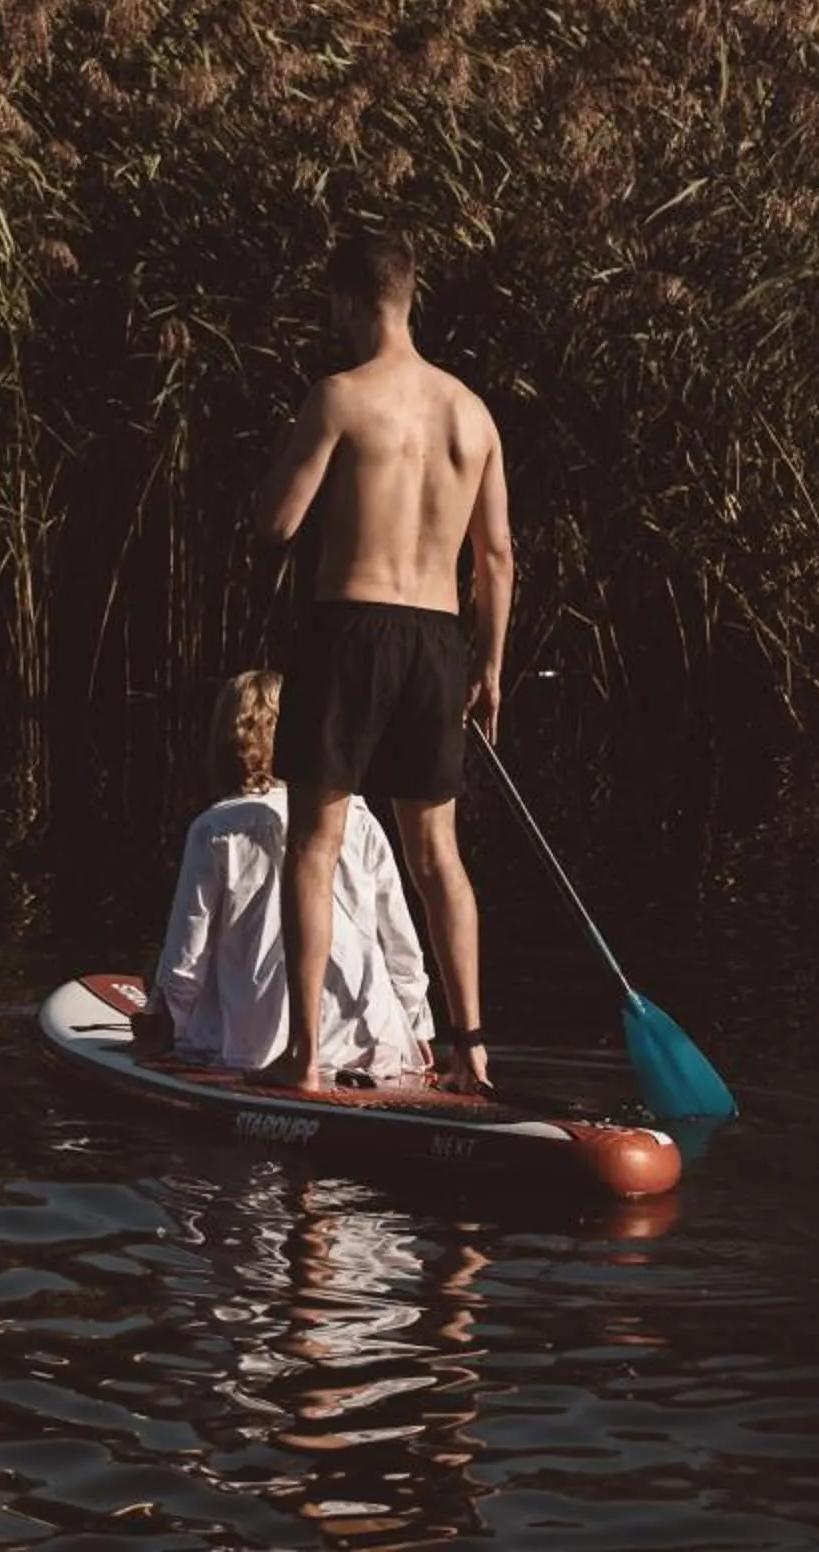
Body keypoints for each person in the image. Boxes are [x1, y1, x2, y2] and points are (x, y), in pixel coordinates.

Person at [250, 229, 512, 1097]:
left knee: (314, 844)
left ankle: (306, 1057)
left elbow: (279, 525)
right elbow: (498, 556)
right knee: (438, 852)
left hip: (351, 627)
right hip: (439, 640)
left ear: (352, 303)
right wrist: (492, 665)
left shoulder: (338, 398)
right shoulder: (472, 413)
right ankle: (470, 1048)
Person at [132, 666, 432, 1080]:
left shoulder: (216, 828)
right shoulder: (357, 816)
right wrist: (415, 1027)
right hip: (369, 1037)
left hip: (257, 1044)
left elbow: (188, 952)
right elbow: (400, 941)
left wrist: (163, 1021)